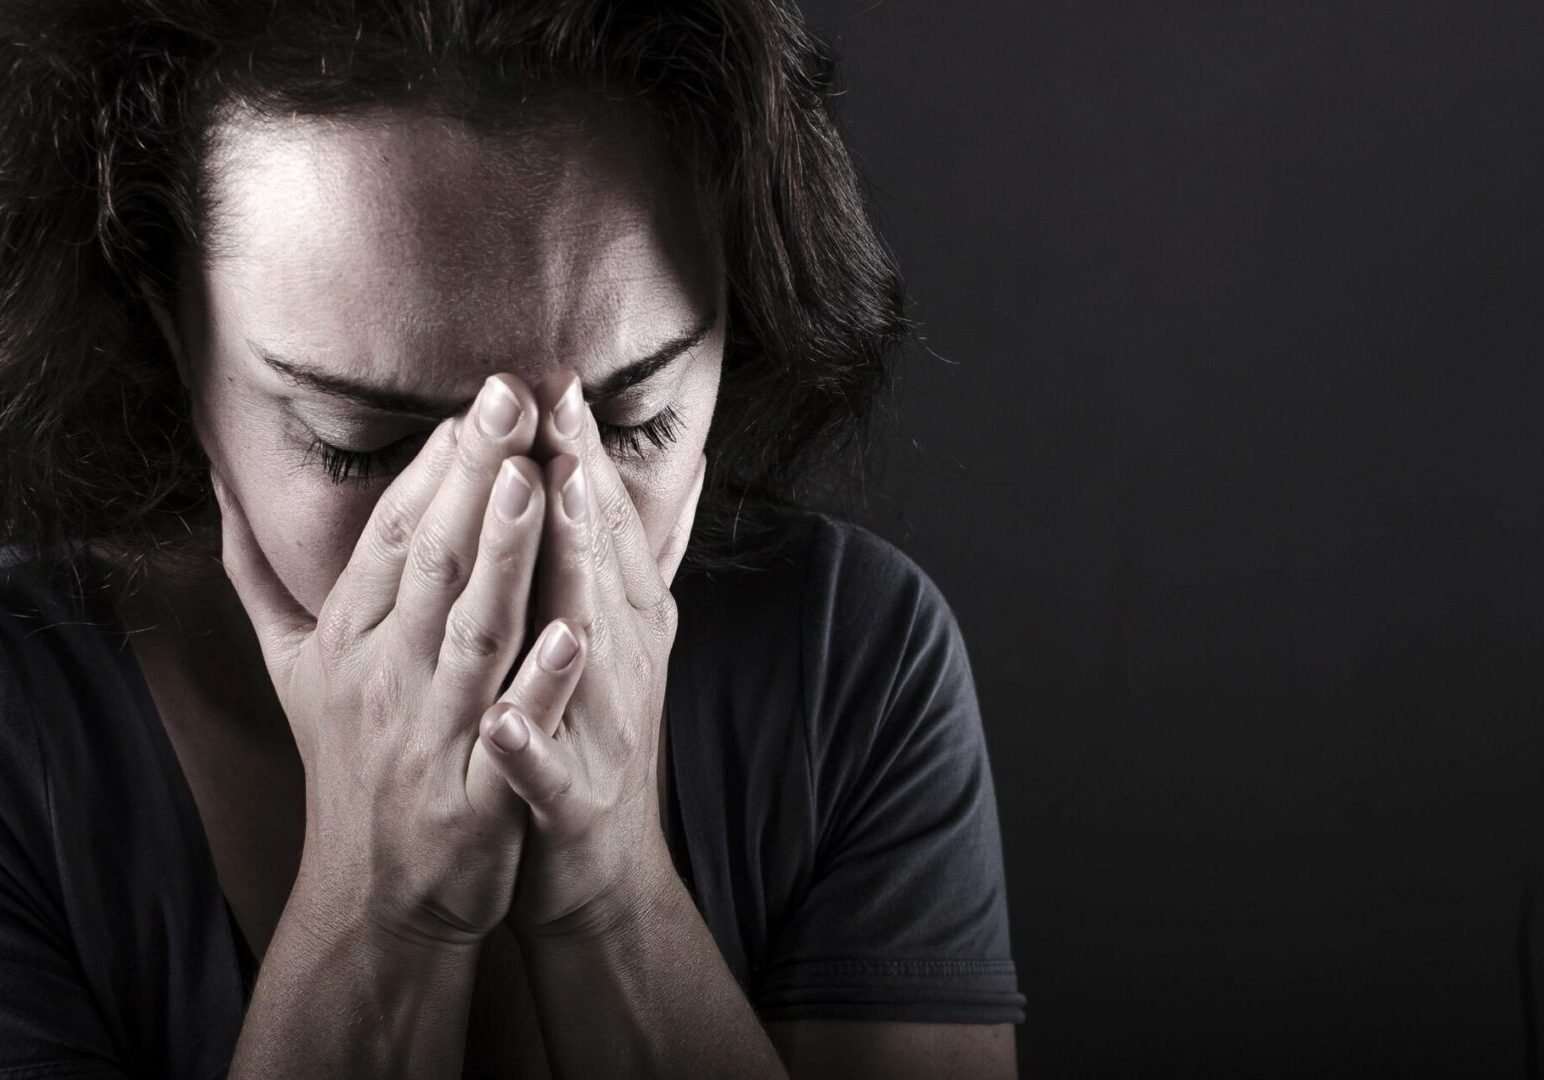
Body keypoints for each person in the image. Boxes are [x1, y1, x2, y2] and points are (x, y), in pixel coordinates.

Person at [0, 0, 1024, 1075]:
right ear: (172, 338)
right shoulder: (28, 725)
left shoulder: (844, 658)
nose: (510, 534)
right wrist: (383, 909)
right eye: (365, 445)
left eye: (633, 421)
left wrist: (612, 896)